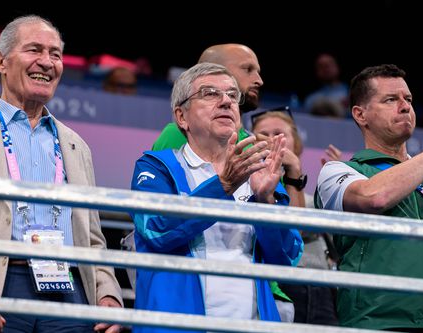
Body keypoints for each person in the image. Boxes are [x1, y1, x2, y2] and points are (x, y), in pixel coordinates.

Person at [0, 15, 122, 333]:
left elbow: (92, 240)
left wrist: (107, 293)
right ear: (0, 61)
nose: (47, 62)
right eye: (35, 50)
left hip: (69, 291)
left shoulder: (77, 146)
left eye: (55, 54)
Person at [130, 62, 303, 333]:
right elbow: (156, 230)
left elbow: (288, 256)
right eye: (210, 93)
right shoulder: (155, 167)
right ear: (182, 117)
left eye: (233, 95)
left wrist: (265, 201)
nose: (226, 102)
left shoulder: (259, 171)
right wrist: (223, 185)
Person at [315, 64, 423, 332]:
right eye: (391, 99)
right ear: (360, 114)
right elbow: (374, 197)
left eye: (408, 100)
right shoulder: (340, 171)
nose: (405, 107)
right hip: (376, 320)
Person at [251, 108, 339, 325]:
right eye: (263, 134)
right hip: (280, 286)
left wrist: (334, 193)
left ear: (296, 144)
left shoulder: (312, 196)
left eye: (279, 134)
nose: (272, 141)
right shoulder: (248, 188)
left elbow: (340, 245)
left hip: (321, 287)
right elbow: (294, 232)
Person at [152, 43, 263, 151]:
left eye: (258, 72)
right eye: (248, 69)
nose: (259, 81)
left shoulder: (252, 144)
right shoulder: (181, 133)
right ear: (214, 70)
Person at [304, 53, 349, 118]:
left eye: (328, 65)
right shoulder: (311, 99)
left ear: (337, 66)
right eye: (321, 66)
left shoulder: (351, 93)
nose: (325, 69)